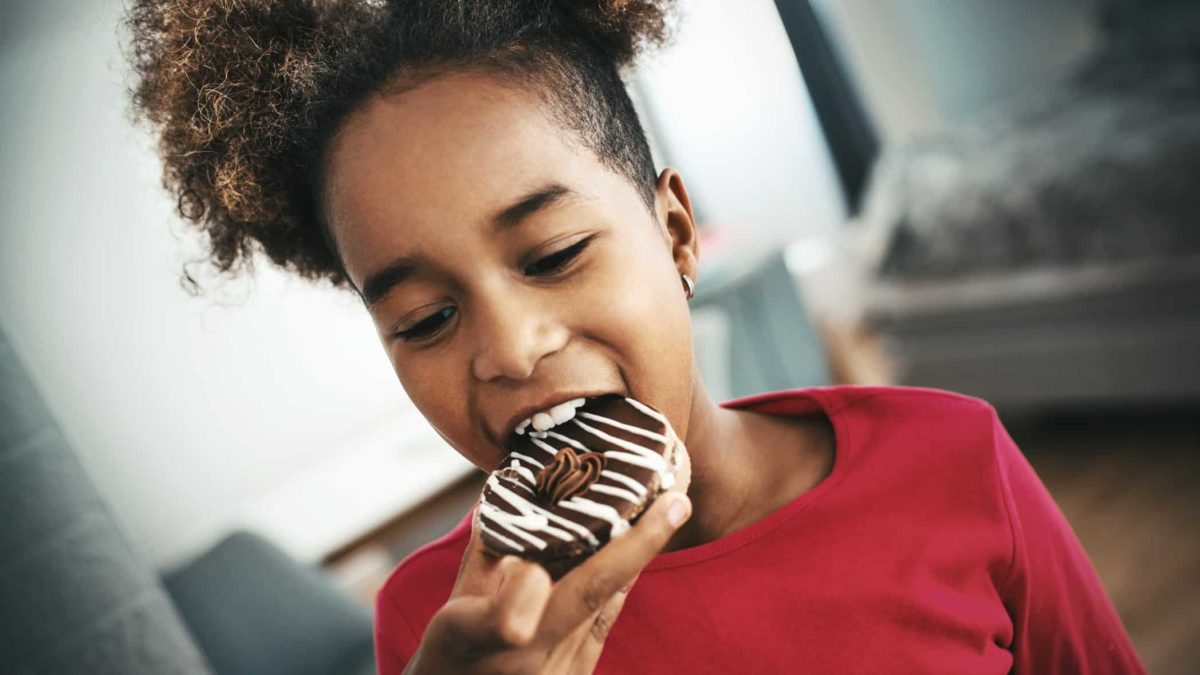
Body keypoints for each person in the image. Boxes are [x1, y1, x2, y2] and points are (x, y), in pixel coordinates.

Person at [125, 1, 1147, 672]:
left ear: (675, 233)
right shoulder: (444, 627)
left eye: (556, 252)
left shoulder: (950, 459)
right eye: (425, 319)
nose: (512, 347)